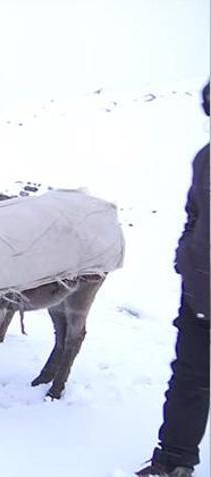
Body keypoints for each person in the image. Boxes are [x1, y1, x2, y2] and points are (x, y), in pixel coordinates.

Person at [137, 82, 210, 477]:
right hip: (200, 291)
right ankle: (174, 461)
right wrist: (186, 254)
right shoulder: (205, 159)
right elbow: (194, 213)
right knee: (188, 380)